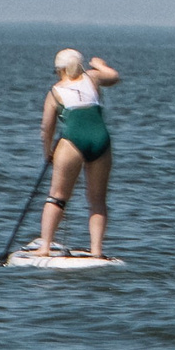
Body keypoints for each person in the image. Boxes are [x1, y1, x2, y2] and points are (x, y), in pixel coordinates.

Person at [35, 49, 120, 258]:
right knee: (97, 200)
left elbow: (47, 128)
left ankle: (45, 247)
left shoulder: (55, 91)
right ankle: (97, 251)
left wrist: (48, 153)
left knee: (57, 197)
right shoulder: (92, 77)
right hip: (101, 140)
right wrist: (100, 65)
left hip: (72, 141)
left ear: (59, 70)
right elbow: (114, 77)